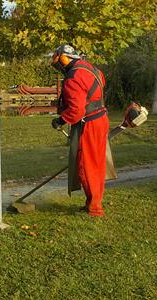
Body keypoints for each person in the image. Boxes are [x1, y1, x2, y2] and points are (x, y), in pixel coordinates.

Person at [51, 45, 116, 217]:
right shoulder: (91, 68)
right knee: (97, 163)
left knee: (87, 166)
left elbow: (76, 110)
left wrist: (60, 120)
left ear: (64, 59)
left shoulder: (73, 78)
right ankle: (91, 203)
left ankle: (95, 209)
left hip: (89, 124)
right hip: (101, 119)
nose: (59, 66)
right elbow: (98, 88)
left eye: (59, 61)